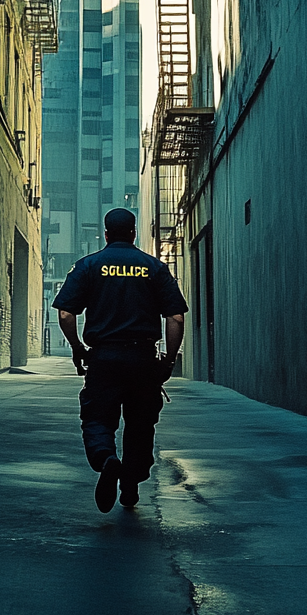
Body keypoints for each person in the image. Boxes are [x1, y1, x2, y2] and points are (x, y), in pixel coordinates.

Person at [52, 208, 188, 512]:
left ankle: (107, 460)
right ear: (134, 233)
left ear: (106, 234)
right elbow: (176, 317)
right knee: (140, 425)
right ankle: (130, 482)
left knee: (98, 418)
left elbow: (65, 313)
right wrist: (168, 360)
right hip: (142, 360)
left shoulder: (88, 266)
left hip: (104, 358)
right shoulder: (154, 268)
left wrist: (77, 347)